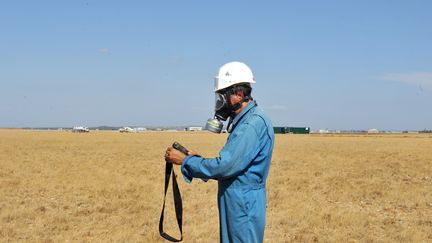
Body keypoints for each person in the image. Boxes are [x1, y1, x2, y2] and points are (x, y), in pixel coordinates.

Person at [165, 61, 274, 243]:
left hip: (243, 205)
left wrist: (186, 161)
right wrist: (195, 159)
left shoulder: (251, 124)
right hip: (238, 201)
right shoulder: (247, 120)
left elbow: (225, 166)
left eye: (223, 95)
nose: (219, 102)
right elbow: (231, 164)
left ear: (239, 94)